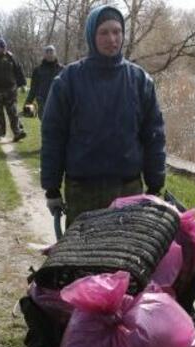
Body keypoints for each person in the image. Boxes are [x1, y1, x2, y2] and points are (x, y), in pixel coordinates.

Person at [40, 5, 166, 226]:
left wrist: (155, 185)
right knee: (81, 259)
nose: (112, 39)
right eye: (104, 32)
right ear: (91, 36)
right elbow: (53, 136)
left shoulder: (140, 80)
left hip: (128, 191)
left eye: (117, 31)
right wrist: (51, 188)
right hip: (82, 192)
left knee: (125, 259)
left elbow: (154, 136)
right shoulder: (68, 80)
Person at [25, 45, 64, 119]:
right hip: (42, 101)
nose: (50, 54)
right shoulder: (38, 70)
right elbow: (33, 88)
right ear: (44, 55)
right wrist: (28, 103)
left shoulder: (62, 69)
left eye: (51, 52)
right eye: (47, 52)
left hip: (58, 101)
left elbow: (68, 87)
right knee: (45, 124)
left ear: (55, 54)